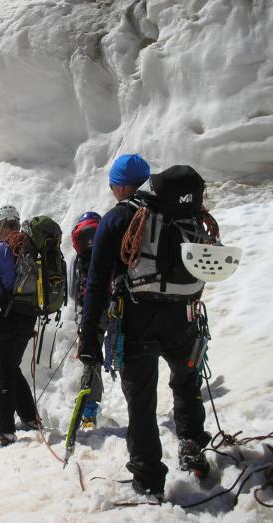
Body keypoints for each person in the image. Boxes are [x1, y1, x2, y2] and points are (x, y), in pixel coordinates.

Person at [79, 154, 210, 497]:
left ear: (122, 185)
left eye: (112, 185)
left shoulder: (118, 218)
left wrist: (89, 338)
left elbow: (96, 284)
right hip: (182, 314)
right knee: (185, 382)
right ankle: (193, 445)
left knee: (141, 401)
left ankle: (149, 478)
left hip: (136, 318)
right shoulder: (183, 212)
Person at [0, 205, 39, 447]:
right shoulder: (30, 250)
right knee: (12, 366)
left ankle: (5, 431)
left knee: (3, 371)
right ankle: (31, 418)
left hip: (6, 317)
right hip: (28, 316)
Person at [70, 211, 104, 428]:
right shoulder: (109, 249)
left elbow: (74, 292)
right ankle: (137, 408)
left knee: (91, 363)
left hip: (91, 314)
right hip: (116, 308)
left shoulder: (78, 258)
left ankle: (88, 413)